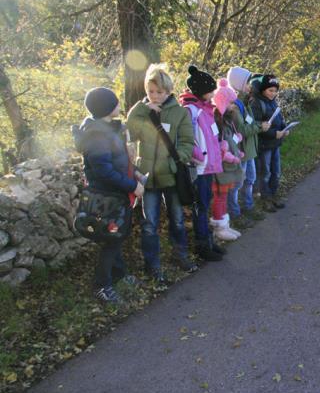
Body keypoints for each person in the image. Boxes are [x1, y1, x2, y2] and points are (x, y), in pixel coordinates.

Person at [127, 64, 198, 282]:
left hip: (172, 175)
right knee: (150, 224)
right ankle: (153, 265)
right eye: (150, 91)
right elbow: (130, 130)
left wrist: (176, 162)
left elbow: (187, 142)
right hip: (148, 178)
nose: (155, 96)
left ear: (168, 91)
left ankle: (181, 255)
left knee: (177, 219)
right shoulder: (143, 111)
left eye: (159, 92)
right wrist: (142, 108)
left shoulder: (179, 113)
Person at [75, 87, 144, 304]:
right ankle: (102, 285)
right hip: (108, 197)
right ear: (106, 108)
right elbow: (104, 171)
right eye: (114, 102)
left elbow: (118, 162)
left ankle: (120, 275)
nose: (119, 105)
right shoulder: (97, 135)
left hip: (115, 194)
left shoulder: (107, 128)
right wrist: (132, 186)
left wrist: (135, 173)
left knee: (117, 235)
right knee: (111, 239)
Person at [179, 65, 224, 261]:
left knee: (206, 203)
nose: (213, 93)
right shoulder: (191, 110)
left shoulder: (206, 109)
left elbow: (212, 136)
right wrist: (196, 154)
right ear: (201, 91)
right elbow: (186, 136)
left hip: (209, 165)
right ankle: (202, 245)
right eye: (210, 90)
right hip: (199, 166)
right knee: (201, 205)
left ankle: (208, 240)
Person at [227, 66, 269, 227]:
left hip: (249, 149)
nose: (251, 86)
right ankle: (235, 213)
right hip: (241, 151)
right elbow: (242, 129)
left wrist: (259, 124)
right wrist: (260, 127)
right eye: (248, 83)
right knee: (237, 183)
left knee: (250, 179)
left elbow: (249, 122)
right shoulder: (235, 106)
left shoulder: (245, 102)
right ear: (239, 84)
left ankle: (248, 206)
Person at [211, 79, 246, 241]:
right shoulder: (217, 122)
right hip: (221, 169)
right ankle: (219, 227)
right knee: (219, 196)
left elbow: (229, 141)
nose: (234, 105)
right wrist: (232, 157)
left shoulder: (226, 120)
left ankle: (225, 224)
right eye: (231, 102)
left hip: (228, 168)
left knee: (224, 196)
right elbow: (220, 148)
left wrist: (236, 146)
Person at [250, 74, 289, 212]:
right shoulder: (256, 103)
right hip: (264, 145)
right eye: (270, 90)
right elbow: (257, 126)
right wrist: (274, 133)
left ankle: (273, 195)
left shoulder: (273, 102)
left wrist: (284, 128)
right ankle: (265, 199)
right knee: (265, 173)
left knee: (276, 172)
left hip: (276, 144)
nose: (273, 93)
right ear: (263, 90)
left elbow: (278, 118)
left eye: (275, 90)